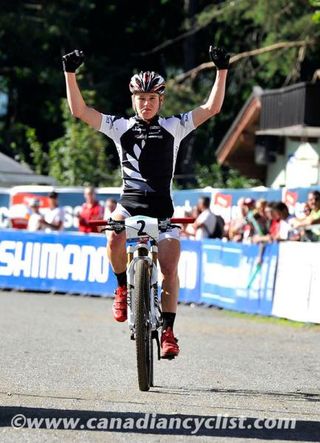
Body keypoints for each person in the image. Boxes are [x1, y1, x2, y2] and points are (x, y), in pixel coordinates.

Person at [62, 46, 229, 358]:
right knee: (112, 233)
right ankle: (123, 287)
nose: (147, 103)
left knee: (170, 264)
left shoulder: (174, 126)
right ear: (133, 100)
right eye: (141, 98)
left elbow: (211, 108)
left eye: (152, 98)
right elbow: (80, 111)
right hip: (129, 204)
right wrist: (70, 74)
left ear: (160, 100)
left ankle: (168, 330)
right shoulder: (119, 127)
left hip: (162, 208)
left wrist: (221, 71)